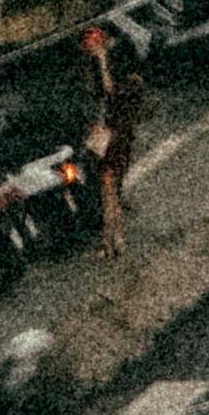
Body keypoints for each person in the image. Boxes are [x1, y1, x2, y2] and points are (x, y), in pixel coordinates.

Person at [77, 22, 148, 255]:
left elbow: (109, 91)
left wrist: (102, 60)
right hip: (118, 139)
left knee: (108, 190)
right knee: (112, 191)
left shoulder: (127, 86)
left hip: (114, 140)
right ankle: (116, 239)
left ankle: (111, 242)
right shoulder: (133, 86)